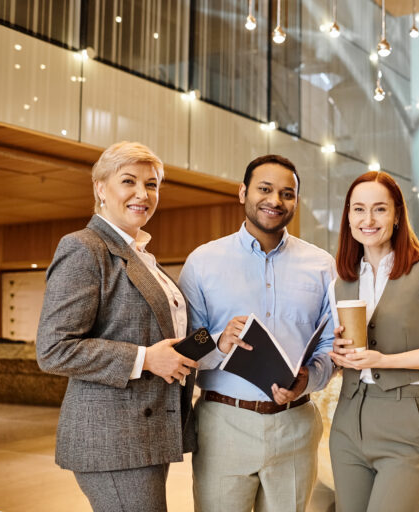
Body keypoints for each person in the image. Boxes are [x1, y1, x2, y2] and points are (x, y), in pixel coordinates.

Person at [35, 141, 199, 512]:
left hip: (146, 433)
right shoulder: (85, 248)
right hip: (112, 439)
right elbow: (54, 349)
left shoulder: (141, 255)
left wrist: (211, 341)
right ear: (100, 188)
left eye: (152, 184)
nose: (143, 193)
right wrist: (146, 359)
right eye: (129, 181)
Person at [178, 154, 335, 512]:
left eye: (287, 193)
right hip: (223, 425)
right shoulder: (203, 261)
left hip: (295, 426)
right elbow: (185, 344)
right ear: (242, 192)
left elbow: (329, 344)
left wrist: (310, 377)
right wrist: (218, 342)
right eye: (265, 189)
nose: (275, 201)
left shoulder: (322, 265)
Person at [328, 171, 419, 512]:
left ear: (396, 216)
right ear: (348, 216)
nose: (368, 220)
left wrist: (384, 361)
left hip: (405, 420)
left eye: (379, 209)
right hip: (347, 420)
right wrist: (338, 355)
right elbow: (342, 353)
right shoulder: (341, 282)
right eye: (358, 209)